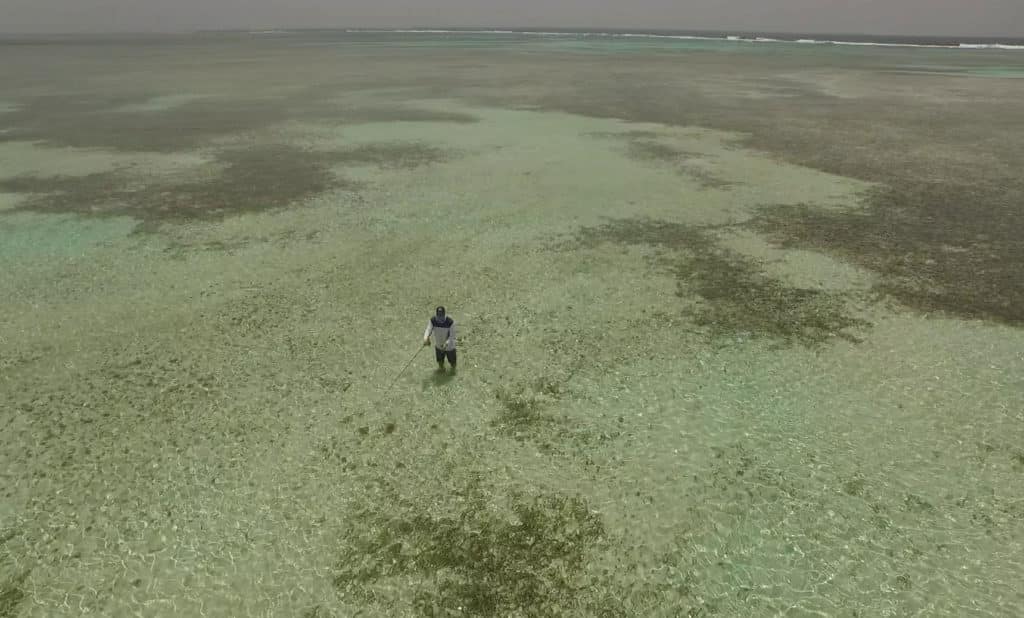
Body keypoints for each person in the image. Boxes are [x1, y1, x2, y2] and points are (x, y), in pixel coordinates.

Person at [423, 306, 457, 371]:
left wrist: (446, 343)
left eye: (441, 316)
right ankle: (441, 370)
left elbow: (452, 336)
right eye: (438, 316)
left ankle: (453, 372)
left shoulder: (450, 322)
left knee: (453, 363)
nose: (440, 318)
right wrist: (425, 338)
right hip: (438, 346)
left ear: (444, 314)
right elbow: (428, 329)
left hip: (450, 347)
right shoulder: (433, 321)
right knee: (440, 362)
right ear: (436, 315)